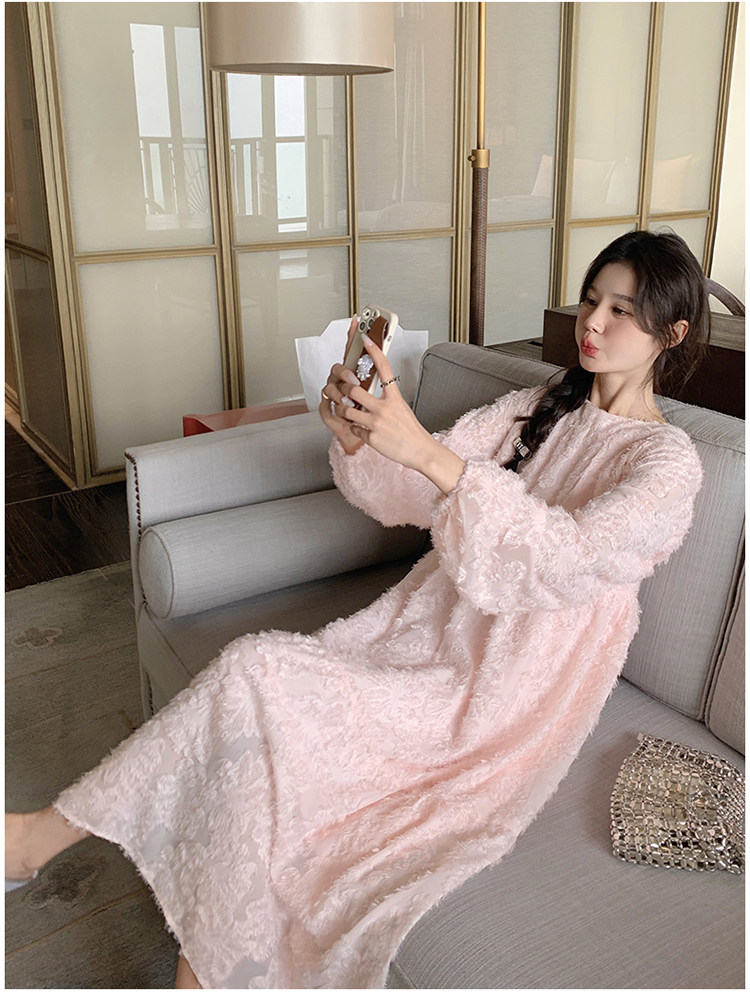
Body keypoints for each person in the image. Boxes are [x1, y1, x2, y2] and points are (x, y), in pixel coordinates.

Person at [6, 230, 709, 990]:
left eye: (621, 312)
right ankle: (117, 911)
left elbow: (562, 562)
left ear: (671, 335)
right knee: (258, 684)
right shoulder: (542, 403)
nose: (592, 324)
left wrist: (428, 453)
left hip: (506, 688)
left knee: (261, 674)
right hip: (426, 630)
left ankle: (36, 847)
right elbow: (409, 496)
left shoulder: (667, 463)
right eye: (591, 300)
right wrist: (363, 441)